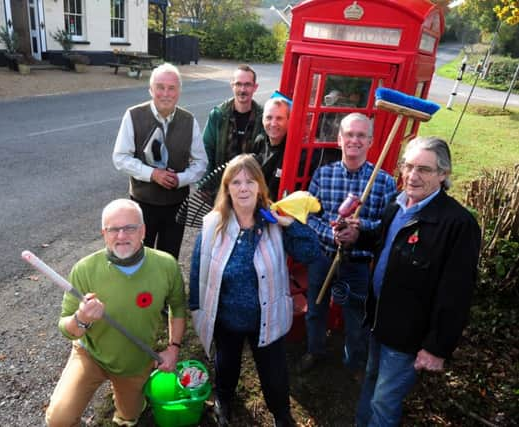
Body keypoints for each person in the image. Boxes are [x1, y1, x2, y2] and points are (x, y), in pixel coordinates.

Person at [351, 137, 481, 426]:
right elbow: (386, 246)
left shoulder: (457, 225)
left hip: (407, 336)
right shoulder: (396, 205)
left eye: (424, 169)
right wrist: (357, 235)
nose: (412, 175)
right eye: (408, 166)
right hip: (377, 321)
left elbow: (456, 292)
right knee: (370, 381)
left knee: (384, 402)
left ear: (443, 175)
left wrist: (436, 347)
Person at [189, 154, 320, 427]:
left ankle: (281, 413)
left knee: (274, 375)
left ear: (260, 186)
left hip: (267, 318)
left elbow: (310, 254)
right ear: (227, 189)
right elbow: (198, 269)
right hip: (227, 318)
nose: (243, 188)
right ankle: (223, 400)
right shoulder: (213, 224)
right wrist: (196, 307)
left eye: (250, 181)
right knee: (226, 366)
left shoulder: (274, 220)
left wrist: (290, 225)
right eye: (236, 182)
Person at [45, 199, 186, 427]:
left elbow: (178, 306)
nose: (121, 236)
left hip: (136, 360)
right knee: (58, 420)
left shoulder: (166, 265)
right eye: (114, 229)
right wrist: (81, 319)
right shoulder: (85, 269)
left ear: (143, 230)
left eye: (130, 228)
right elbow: (66, 328)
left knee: (129, 417)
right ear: (104, 233)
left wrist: (174, 348)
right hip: (90, 355)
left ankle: (127, 402)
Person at [300, 113, 397, 374]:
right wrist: (329, 234)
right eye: (349, 135)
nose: (354, 140)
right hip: (324, 256)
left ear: (370, 142)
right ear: (339, 140)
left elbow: (388, 227)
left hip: (358, 261)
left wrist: (360, 230)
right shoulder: (323, 174)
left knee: (357, 316)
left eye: (361, 135)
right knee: (315, 309)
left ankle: (354, 362)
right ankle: (314, 350)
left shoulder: (385, 182)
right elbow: (310, 216)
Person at [113, 63, 207, 260]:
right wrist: (153, 174)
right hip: (142, 203)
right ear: (151, 89)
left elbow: (201, 163)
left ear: (179, 91)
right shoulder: (133, 116)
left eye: (171, 88)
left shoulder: (189, 121)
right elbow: (120, 158)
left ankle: (164, 292)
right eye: (160, 87)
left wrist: (180, 179)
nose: (166, 93)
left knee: (169, 258)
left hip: (177, 205)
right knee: (138, 256)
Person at [202, 64, 264, 177]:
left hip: (250, 184)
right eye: (238, 84)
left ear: (255, 87)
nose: (242, 89)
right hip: (221, 184)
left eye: (247, 85)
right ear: (232, 86)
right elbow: (206, 151)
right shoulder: (217, 115)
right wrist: (206, 186)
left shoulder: (264, 118)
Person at [250, 96, 290, 200]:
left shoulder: (293, 151)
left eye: (279, 118)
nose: (273, 123)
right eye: (269, 118)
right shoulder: (259, 141)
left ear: (289, 121)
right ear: (263, 119)